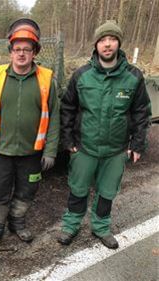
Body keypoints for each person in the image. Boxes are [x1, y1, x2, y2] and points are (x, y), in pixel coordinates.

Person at [57, 20, 151, 249]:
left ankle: (100, 226)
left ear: (118, 43)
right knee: (78, 189)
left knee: (107, 192)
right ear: (96, 45)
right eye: (102, 40)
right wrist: (68, 140)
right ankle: (71, 224)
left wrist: (137, 144)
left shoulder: (133, 76)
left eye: (112, 39)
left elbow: (141, 112)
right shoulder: (82, 75)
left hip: (116, 150)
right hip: (85, 146)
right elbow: (67, 108)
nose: (107, 44)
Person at [0, 18, 60, 250]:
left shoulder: (46, 81)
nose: (21, 54)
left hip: (32, 153)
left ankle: (17, 222)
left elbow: (55, 117)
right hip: (2, 151)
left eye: (27, 49)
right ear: (11, 52)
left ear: (34, 52)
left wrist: (51, 150)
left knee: (27, 191)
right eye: (17, 49)